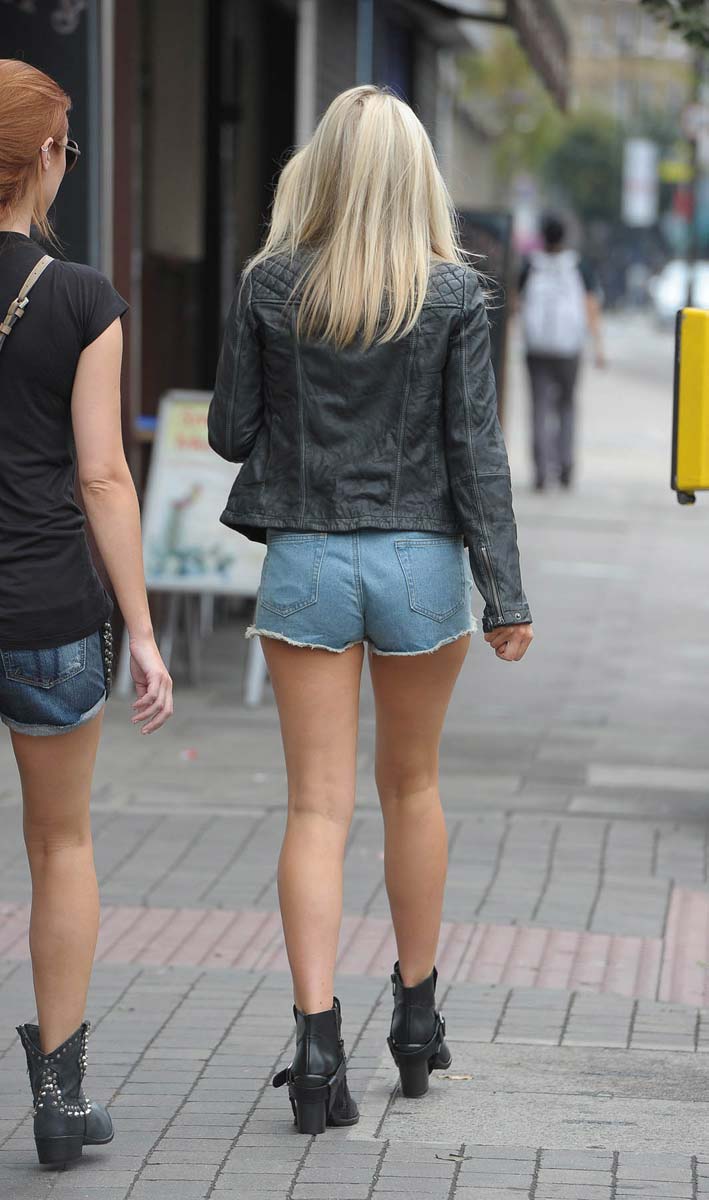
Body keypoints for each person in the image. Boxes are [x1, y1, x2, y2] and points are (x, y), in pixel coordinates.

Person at [209, 84, 532, 1137]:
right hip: (420, 562)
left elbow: (229, 431)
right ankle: (417, 1015)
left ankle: (315, 1045)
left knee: (316, 808)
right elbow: (475, 450)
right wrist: (505, 595)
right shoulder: (454, 294)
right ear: (417, 179)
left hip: (306, 557)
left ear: (320, 172)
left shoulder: (270, 283)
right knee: (413, 787)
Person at [0, 59, 173, 1167]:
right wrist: (144, 632)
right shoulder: (81, 298)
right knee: (60, 844)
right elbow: (104, 477)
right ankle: (60, 1102)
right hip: (48, 606)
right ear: (46, 158)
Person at [518, 214, 605, 491]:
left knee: (539, 407)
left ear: (542, 236)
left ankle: (541, 471)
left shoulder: (531, 265)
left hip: (537, 347)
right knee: (566, 406)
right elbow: (590, 305)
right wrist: (598, 345)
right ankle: (565, 467)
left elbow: (516, 303)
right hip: (569, 348)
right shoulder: (578, 265)